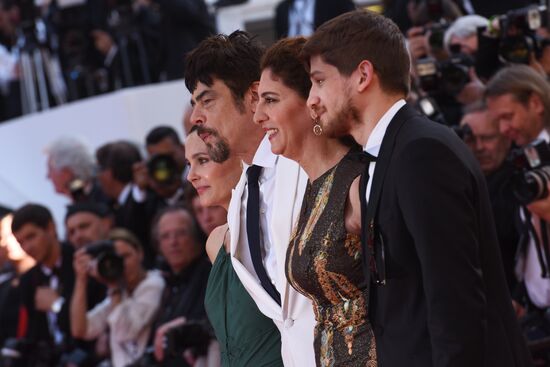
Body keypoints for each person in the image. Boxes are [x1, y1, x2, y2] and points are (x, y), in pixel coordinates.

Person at [304, 10, 531, 366]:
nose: (311, 100)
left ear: (363, 75)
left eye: (319, 81)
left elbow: (454, 296)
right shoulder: (387, 154)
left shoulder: (421, 153)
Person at [185, 30, 316, 366]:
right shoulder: (243, 193)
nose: (195, 118)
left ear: (254, 95)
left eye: (207, 100)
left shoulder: (305, 163)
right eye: (194, 104)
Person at [254, 37, 376, 366]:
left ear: (311, 102)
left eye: (270, 100)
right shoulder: (312, 188)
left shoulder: (357, 182)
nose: (258, 116)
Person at [186, 128, 284, 366]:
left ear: (240, 156)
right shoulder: (215, 242)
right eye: (189, 163)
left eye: (202, 161)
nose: (191, 175)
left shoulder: (275, 223)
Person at [485, 65, 550, 312]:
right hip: (534, 311)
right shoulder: (519, 162)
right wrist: (519, 295)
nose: (503, 130)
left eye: (507, 117)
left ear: (535, 103)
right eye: (498, 120)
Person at [70, 228, 165, 367]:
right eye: (116, 260)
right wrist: (80, 280)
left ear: (140, 253)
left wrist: (113, 287)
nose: (122, 265)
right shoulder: (120, 292)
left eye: (126, 256)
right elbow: (81, 330)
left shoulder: (154, 284)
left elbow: (125, 332)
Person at [460, 102, 519, 291]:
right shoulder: (456, 181)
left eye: (487, 138)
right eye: (470, 139)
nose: (479, 147)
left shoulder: (521, 183)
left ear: (507, 138)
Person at [149, 205, 212, 367]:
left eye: (181, 233)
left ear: (196, 237)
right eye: (165, 236)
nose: (173, 242)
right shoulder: (168, 282)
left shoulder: (211, 273)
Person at [46, 137, 108, 204]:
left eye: (50, 169)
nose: (48, 176)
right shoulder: (80, 191)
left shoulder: (103, 198)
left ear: (66, 170)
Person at [274, 0, 355, 39]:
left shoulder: (337, 2)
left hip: (324, 54)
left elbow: (351, 28)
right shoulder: (281, 8)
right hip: (291, 59)